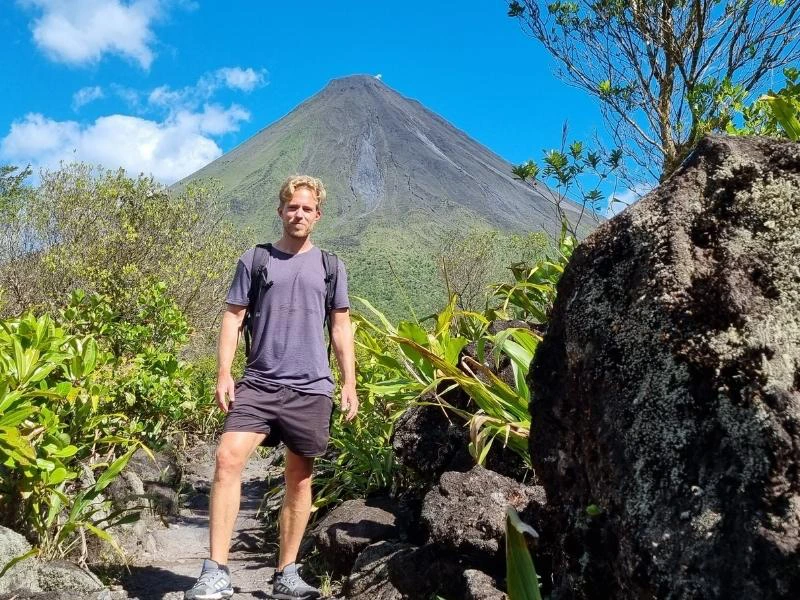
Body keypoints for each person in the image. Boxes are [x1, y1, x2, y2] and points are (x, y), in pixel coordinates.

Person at [184, 175, 358, 600]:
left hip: (311, 387)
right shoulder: (256, 260)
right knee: (227, 458)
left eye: (307, 209)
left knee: (299, 478)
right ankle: (215, 572)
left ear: (318, 215)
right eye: (291, 207)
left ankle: (287, 574)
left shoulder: (330, 266)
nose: (298, 214)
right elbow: (232, 317)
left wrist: (350, 382)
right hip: (259, 382)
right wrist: (224, 372)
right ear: (281, 211)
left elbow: (340, 326)